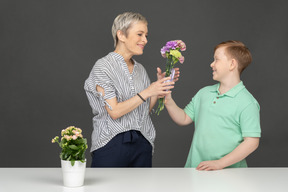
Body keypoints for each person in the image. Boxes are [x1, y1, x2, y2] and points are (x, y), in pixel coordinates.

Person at [84, 12, 177, 167]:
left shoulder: (140, 69)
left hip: (142, 143)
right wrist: (148, 91)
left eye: (146, 35)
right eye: (140, 34)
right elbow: (114, 111)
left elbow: (143, 111)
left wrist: (158, 87)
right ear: (121, 35)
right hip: (111, 144)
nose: (145, 40)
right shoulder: (103, 67)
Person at [165, 40, 261, 170]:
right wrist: (167, 99)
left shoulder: (247, 102)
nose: (211, 64)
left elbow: (252, 142)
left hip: (230, 176)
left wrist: (219, 163)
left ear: (232, 64)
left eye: (216, 60)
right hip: (196, 170)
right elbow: (183, 118)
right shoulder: (204, 93)